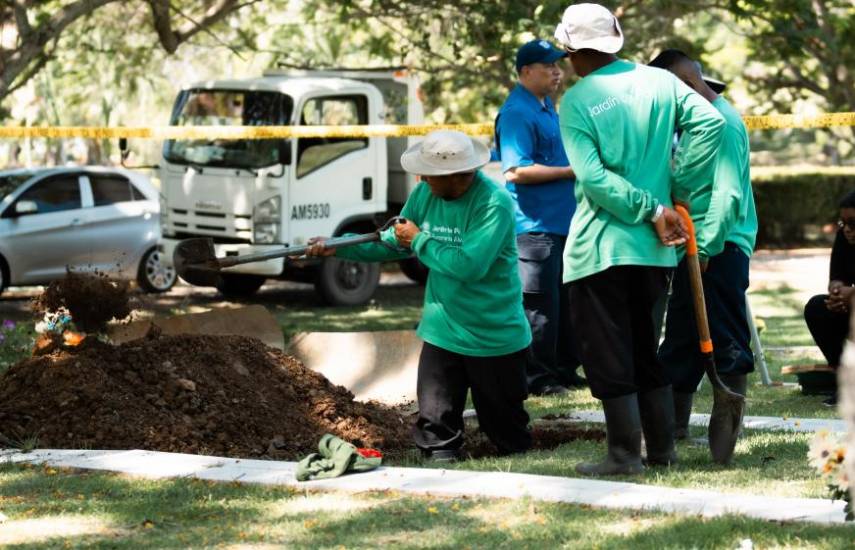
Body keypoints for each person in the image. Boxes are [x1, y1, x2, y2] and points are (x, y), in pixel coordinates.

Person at [553, 3, 725, 475]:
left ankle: (625, 455)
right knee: (646, 348)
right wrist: (677, 190)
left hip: (601, 249)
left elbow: (592, 179)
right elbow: (711, 123)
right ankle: (663, 452)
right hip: (654, 251)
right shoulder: (661, 81)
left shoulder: (577, 100)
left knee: (609, 355)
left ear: (570, 49)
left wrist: (652, 209)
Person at [304, 130, 533, 461]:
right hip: (443, 330)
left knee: (507, 433)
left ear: (455, 175)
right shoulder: (426, 193)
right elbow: (390, 241)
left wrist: (420, 240)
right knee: (435, 426)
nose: (420, 177)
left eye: (428, 173)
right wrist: (336, 247)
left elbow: (469, 266)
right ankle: (441, 460)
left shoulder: (493, 205)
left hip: (493, 334)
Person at [649, 49, 758, 439]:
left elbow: (727, 194)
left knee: (726, 338)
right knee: (680, 341)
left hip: (720, 248)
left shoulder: (724, 123)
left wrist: (708, 247)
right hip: (691, 249)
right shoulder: (697, 123)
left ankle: (727, 428)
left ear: (686, 88)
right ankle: (674, 428)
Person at [495, 39, 584, 395]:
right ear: (525, 72)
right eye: (548, 66)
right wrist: (569, 171)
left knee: (564, 301)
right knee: (539, 306)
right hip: (534, 228)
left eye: (558, 65)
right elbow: (515, 171)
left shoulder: (547, 105)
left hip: (562, 222)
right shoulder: (517, 112)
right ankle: (538, 378)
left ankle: (563, 369)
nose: (556, 72)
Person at [803, 190, 855, 407]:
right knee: (817, 307)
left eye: (853, 222)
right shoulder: (843, 238)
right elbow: (836, 278)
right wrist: (836, 292)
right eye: (843, 223)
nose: (848, 230)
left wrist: (852, 295)